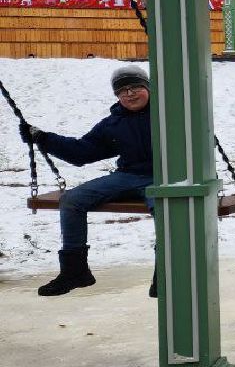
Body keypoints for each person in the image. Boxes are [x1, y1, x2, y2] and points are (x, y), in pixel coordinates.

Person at [20, 64, 153, 297]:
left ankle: (166, 273)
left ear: (148, 88)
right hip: (128, 176)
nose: (129, 94)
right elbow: (82, 152)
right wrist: (43, 138)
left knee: (169, 206)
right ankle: (75, 271)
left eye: (135, 87)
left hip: (164, 178)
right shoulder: (114, 124)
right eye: (122, 91)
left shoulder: (170, 114)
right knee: (72, 199)